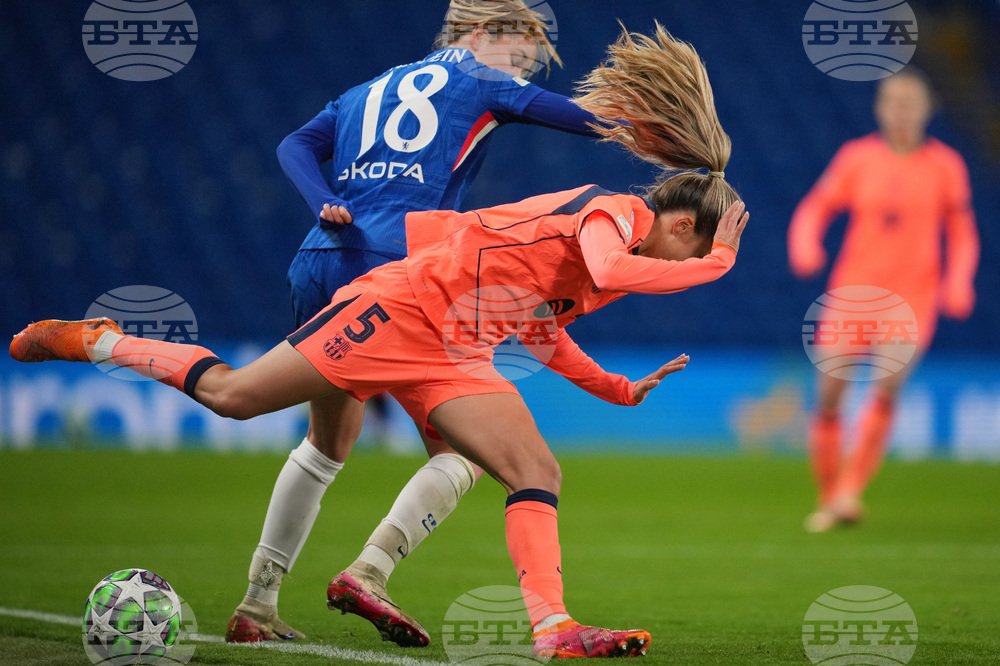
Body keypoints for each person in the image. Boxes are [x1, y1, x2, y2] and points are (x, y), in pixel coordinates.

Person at [11, 23, 749, 658]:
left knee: (535, 469)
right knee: (235, 397)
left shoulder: (612, 268)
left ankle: (551, 624)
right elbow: (607, 255)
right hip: (402, 305)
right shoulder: (611, 214)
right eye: (698, 252)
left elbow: (544, 331)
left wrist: (616, 390)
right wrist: (718, 266)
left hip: (455, 346)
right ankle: (100, 341)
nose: (692, 267)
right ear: (683, 227)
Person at [254, 0, 612, 646]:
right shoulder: (483, 79)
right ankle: (370, 568)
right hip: (402, 274)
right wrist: (672, 132)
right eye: (519, 55)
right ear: (479, 34)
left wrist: (324, 202)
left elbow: (294, 144)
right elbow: (592, 122)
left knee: (326, 444)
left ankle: (256, 606)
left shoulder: (368, 88)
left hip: (319, 260)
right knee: (472, 453)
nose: (521, 72)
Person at [788, 69, 979, 533]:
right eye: (893, 101)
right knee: (830, 396)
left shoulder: (946, 166)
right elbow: (816, 206)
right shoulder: (858, 158)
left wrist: (959, 280)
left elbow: (962, 231)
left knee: (887, 386)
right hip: (853, 293)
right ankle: (830, 494)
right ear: (880, 107)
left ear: (926, 110)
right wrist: (806, 243)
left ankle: (849, 492)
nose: (901, 110)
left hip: (912, 297)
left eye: (910, 102)